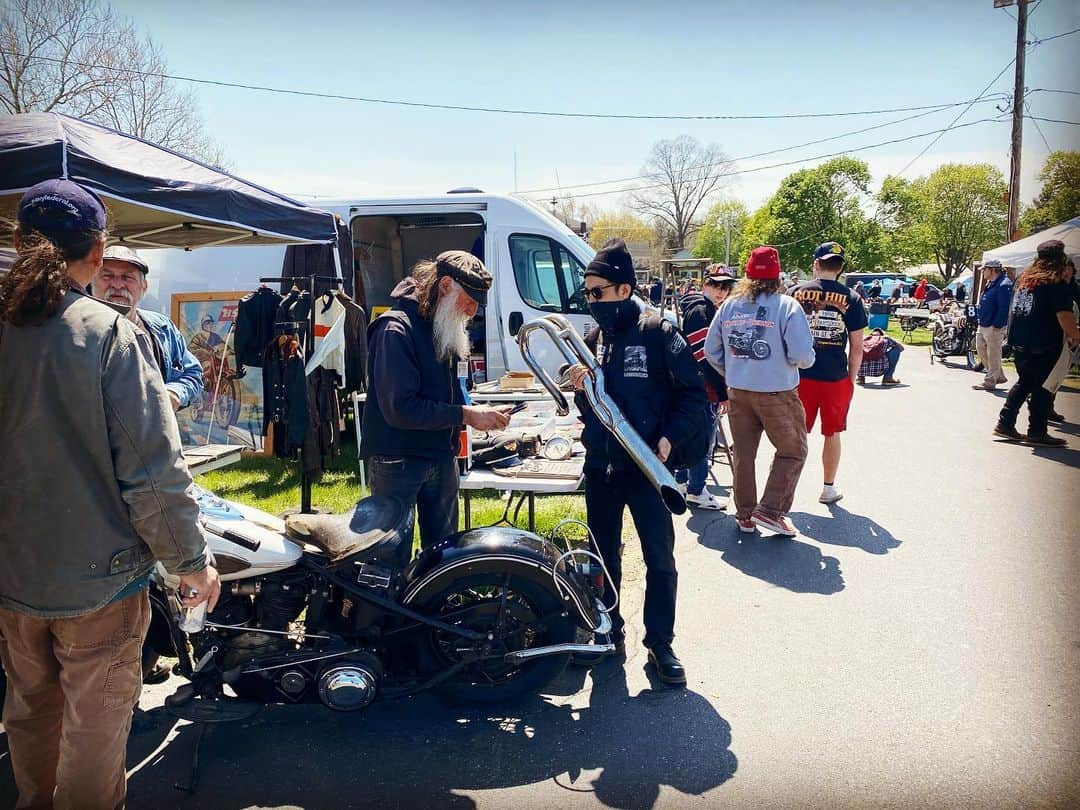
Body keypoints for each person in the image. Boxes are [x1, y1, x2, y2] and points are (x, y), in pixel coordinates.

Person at [0, 179, 219, 809]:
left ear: (18, 243)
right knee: (92, 725)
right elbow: (153, 473)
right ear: (97, 254)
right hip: (100, 584)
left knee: (29, 712)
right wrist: (190, 562)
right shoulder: (107, 335)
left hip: (15, 578)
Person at [566, 238, 707, 684]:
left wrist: (667, 441)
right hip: (602, 470)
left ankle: (660, 644)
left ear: (624, 290)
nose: (591, 302)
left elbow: (693, 397)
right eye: (586, 294)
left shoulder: (659, 333)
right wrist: (580, 389)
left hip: (648, 470)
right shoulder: (592, 340)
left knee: (659, 558)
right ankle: (608, 632)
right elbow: (594, 411)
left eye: (598, 292)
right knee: (601, 558)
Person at [360, 251, 511, 548]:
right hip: (398, 460)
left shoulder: (440, 324)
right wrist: (466, 415)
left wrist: (473, 411)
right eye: (467, 301)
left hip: (439, 455)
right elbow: (401, 409)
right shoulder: (395, 329)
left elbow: (448, 391)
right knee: (390, 556)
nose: (470, 312)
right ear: (444, 285)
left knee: (442, 556)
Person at [705, 245, 815, 537]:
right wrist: (797, 362)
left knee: (743, 454)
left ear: (747, 275)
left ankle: (745, 516)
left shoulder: (729, 305)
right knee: (793, 450)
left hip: (739, 391)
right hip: (777, 392)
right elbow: (802, 354)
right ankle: (770, 510)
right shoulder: (787, 306)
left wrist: (732, 372)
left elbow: (710, 350)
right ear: (777, 276)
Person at [791, 242, 867, 505]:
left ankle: (784, 489)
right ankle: (828, 487)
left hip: (799, 375)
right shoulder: (853, 298)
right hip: (835, 376)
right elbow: (857, 346)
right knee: (832, 433)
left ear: (815, 264)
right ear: (841, 267)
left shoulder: (794, 292)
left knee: (794, 434)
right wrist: (852, 377)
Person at [90, 244, 204, 411]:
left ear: (144, 287)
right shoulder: (76, 330)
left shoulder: (163, 328)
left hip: (154, 433)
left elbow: (193, 374)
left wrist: (174, 393)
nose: (117, 285)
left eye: (127, 278)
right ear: (91, 283)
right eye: (107, 276)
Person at [993, 240, 1080, 447]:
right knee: (1042, 388)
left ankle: (1005, 422)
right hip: (1045, 341)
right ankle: (1037, 431)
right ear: (1060, 258)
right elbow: (1065, 315)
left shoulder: (1024, 278)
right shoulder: (1054, 281)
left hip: (1019, 340)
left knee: (1024, 382)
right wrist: (1075, 334)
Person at [674, 264, 736, 510]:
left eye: (726, 286)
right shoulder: (702, 310)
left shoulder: (700, 307)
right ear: (705, 284)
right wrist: (722, 391)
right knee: (703, 439)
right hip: (702, 385)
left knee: (692, 436)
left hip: (693, 383)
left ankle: (682, 482)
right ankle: (696, 489)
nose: (721, 291)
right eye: (716, 284)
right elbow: (704, 356)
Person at [972, 259, 1013, 391]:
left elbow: (1004, 307)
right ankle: (998, 375)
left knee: (993, 353)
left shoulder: (1003, 284)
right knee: (980, 347)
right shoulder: (992, 283)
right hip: (984, 323)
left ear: (993, 269)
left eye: (985, 269)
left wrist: (998, 324)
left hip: (994, 326)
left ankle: (990, 381)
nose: (983, 272)